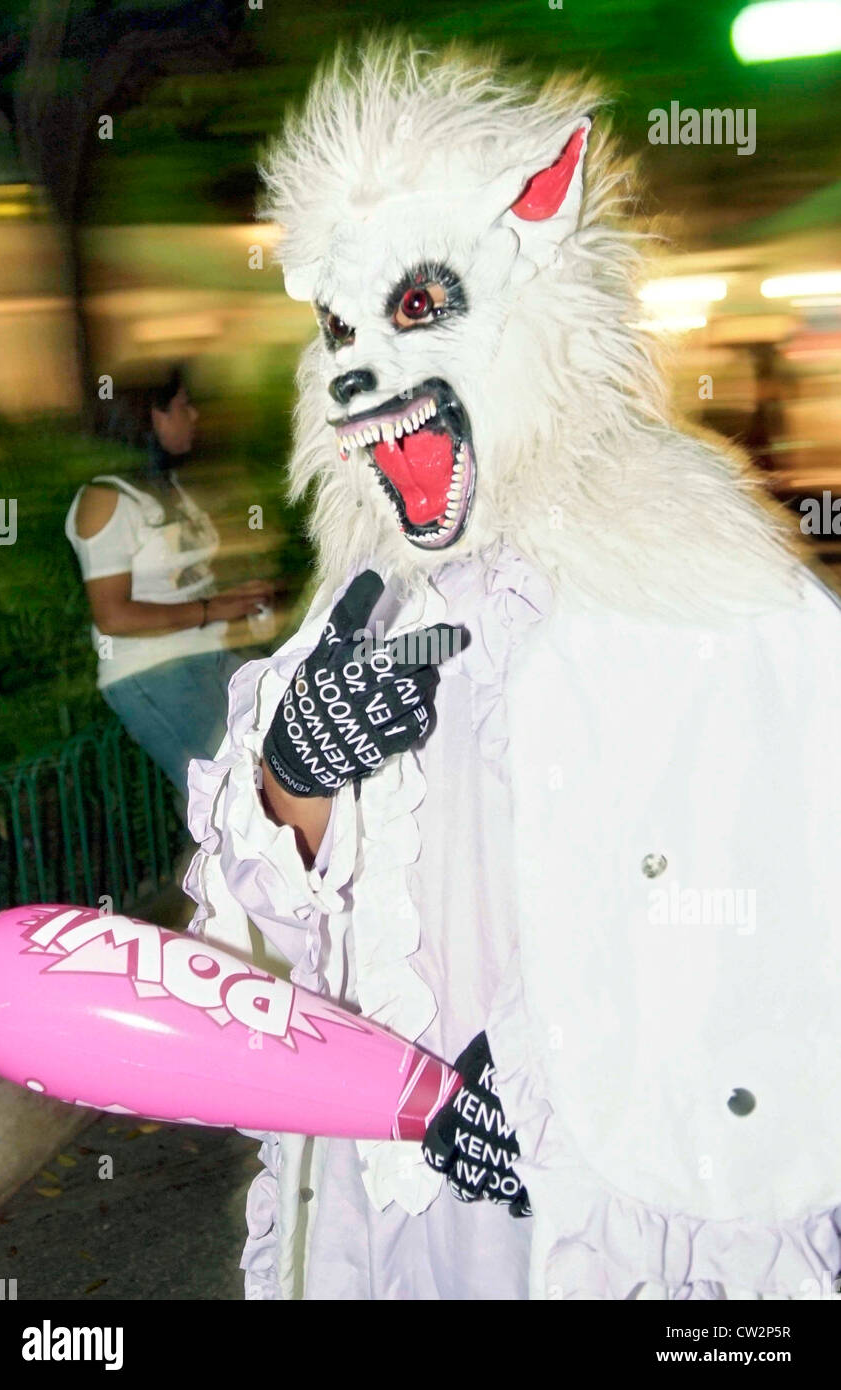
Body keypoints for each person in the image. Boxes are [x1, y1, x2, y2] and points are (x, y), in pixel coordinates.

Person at [181, 43, 841, 1300]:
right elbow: (252, 958)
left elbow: (782, 926)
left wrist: (545, 1078)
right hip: (388, 1204)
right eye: (339, 329)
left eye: (420, 306)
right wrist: (294, 781)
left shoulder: (715, 604)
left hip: (605, 1210)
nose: (358, 366)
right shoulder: (358, 615)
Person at [65, 363, 271, 794]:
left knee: (272, 771)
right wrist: (214, 609)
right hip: (156, 672)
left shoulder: (165, 486)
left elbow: (180, 578)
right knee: (232, 800)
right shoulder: (105, 499)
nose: (193, 415)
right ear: (149, 416)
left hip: (209, 654)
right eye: (182, 405)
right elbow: (113, 615)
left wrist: (234, 601)